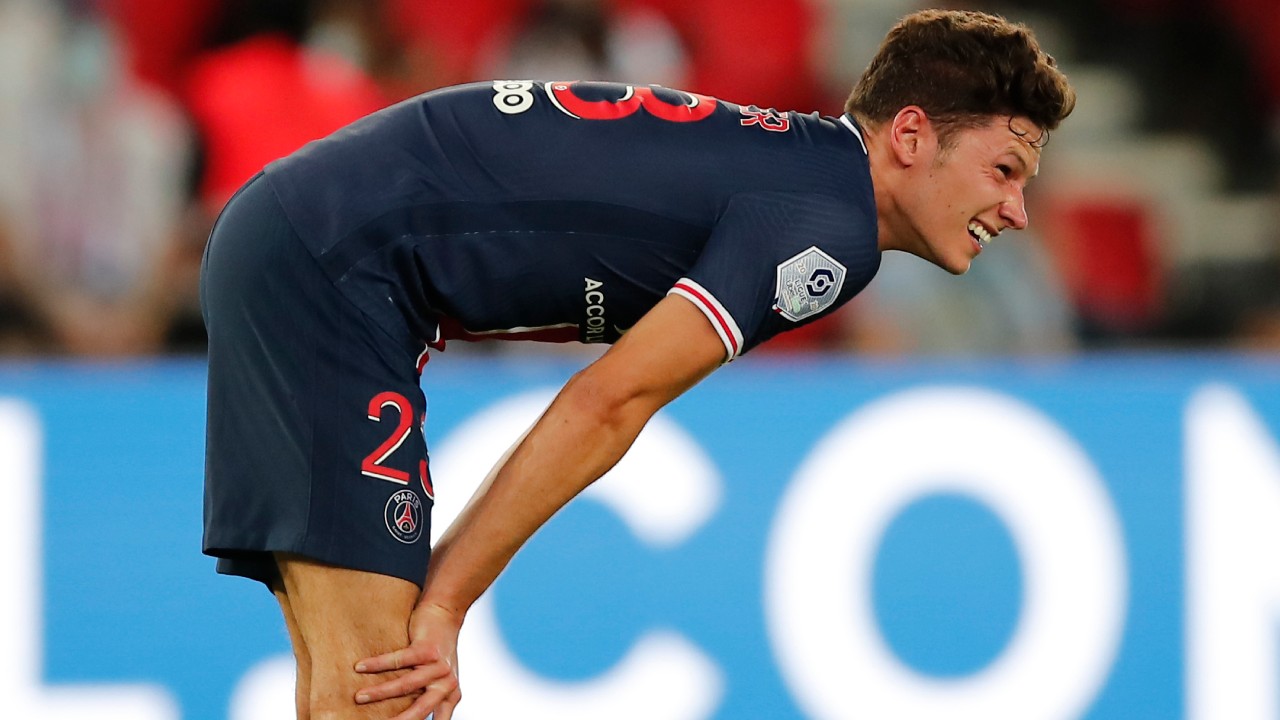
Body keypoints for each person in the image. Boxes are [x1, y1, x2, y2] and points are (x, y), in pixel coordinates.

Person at [199, 9, 1074, 719]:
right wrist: (448, 602)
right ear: (911, 134)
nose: (1017, 210)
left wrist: (442, 594)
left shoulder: (807, 179)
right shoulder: (828, 227)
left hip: (313, 241)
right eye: (1004, 169)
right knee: (384, 691)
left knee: (351, 695)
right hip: (334, 264)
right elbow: (608, 403)